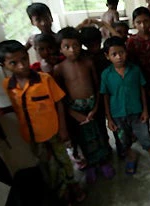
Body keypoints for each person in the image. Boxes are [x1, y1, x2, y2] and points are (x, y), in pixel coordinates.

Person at [0, 40, 85, 205]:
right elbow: (20, 106)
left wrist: (63, 129)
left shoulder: (44, 79)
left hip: (54, 131)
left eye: (24, 59)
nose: (21, 66)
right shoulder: (8, 85)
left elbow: (59, 102)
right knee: (48, 167)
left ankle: (73, 185)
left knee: (63, 160)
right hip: (33, 136)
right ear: (3, 65)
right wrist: (4, 111)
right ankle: (62, 192)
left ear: (28, 56)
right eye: (14, 63)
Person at [101, 37, 150, 175]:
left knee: (145, 136)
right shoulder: (106, 75)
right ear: (107, 56)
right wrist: (109, 118)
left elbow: (142, 90)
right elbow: (105, 96)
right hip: (117, 114)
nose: (119, 57)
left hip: (137, 112)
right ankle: (131, 156)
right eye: (114, 54)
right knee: (124, 140)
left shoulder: (135, 70)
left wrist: (145, 110)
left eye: (121, 52)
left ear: (126, 52)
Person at [54, 27, 114, 184]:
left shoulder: (88, 62)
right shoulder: (59, 69)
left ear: (81, 46)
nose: (72, 50)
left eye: (76, 45)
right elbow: (60, 95)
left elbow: (97, 86)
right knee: (82, 139)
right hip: (75, 110)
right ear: (60, 48)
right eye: (66, 46)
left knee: (99, 133)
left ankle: (103, 161)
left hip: (93, 105)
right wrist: (72, 113)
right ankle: (91, 165)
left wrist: (95, 108)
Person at [126, 7, 150, 148]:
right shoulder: (132, 42)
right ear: (134, 23)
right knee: (142, 109)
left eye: (146, 21)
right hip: (139, 83)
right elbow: (130, 64)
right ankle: (144, 135)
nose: (143, 25)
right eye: (139, 22)